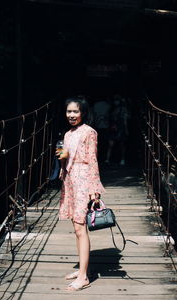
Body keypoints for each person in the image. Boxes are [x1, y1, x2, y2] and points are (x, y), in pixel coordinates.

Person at [56, 96, 105, 291]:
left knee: (80, 227)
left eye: (75, 111)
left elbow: (92, 160)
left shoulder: (89, 132)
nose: (72, 115)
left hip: (84, 180)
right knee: (77, 228)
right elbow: (66, 155)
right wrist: (61, 161)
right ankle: (83, 268)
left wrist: (95, 190)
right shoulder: (67, 134)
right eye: (69, 111)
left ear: (83, 112)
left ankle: (83, 276)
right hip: (70, 181)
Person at [105, 94, 130, 165]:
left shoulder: (123, 109)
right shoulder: (111, 108)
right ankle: (107, 159)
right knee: (110, 144)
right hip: (112, 127)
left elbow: (126, 119)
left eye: (117, 100)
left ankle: (122, 159)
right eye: (115, 100)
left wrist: (126, 129)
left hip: (120, 127)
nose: (116, 101)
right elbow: (107, 118)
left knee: (121, 144)